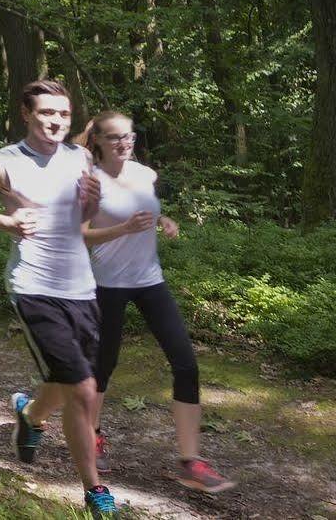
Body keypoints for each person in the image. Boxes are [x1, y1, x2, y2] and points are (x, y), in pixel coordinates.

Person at [0, 79, 117, 518]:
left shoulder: (80, 158)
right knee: (83, 387)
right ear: (26, 114)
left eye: (63, 114)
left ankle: (30, 414)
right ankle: (94, 491)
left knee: (67, 382)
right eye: (46, 113)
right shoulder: (0, 164)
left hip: (81, 287)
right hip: (33, 287)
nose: (55, 122)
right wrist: (4, 222)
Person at [77, 111, 236, 495]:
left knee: (186, 363)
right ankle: (93, 434)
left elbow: (146, 208)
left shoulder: (145, 174)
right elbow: (81, 235)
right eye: (114, 137)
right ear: (97, 140)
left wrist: (164, 221)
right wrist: (122, 229)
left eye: (129, 136)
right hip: (107, 284)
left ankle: (190, 461)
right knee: (104, 365)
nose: (124, 143)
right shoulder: (89, 182)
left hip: (150, 280)